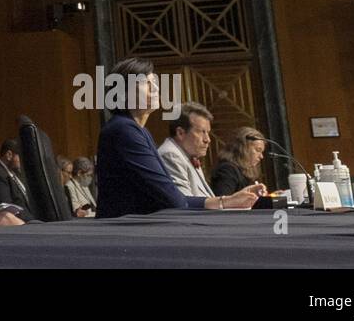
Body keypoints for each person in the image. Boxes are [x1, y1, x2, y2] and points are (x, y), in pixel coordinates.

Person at [96, 58, 266, 218]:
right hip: (124, 231)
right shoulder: (123, 130)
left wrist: (228, 200)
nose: (156, 88)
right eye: (147, 84)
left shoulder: (138, 130)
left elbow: (174, 197)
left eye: (154, 82)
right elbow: (172, 198)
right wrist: (224, 202)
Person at [157, 102, 216, 198]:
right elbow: (186, 203)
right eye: (202, 132)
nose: (207, 140)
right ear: (180, 133)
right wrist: (223, 202)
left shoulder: (189, 154)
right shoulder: (171, 155)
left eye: (208, 133)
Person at [210, 126, 268, 196]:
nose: (261, 156)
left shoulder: (245, 171)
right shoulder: (227, 170)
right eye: (258, 150)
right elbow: (222, 201)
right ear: (243, 148)